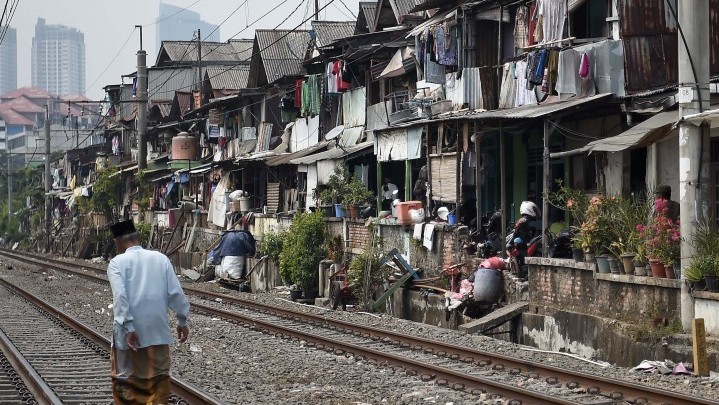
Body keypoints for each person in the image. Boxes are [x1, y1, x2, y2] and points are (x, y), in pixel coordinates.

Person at [107, 220, 190, 405]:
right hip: (157, 334)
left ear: (118, 242)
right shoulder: (160, 259)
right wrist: (182, 321)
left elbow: (120, 297)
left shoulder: (116, 263)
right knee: (158, 382)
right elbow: (176, 293)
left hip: (129, 339)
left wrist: (129, 326)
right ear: (138, 238)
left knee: (126, 383)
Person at [507, 201, 541, 278]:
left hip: (522, 242)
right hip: (522, 244)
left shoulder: (522, 220)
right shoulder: (524, 220)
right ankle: (525, 271)